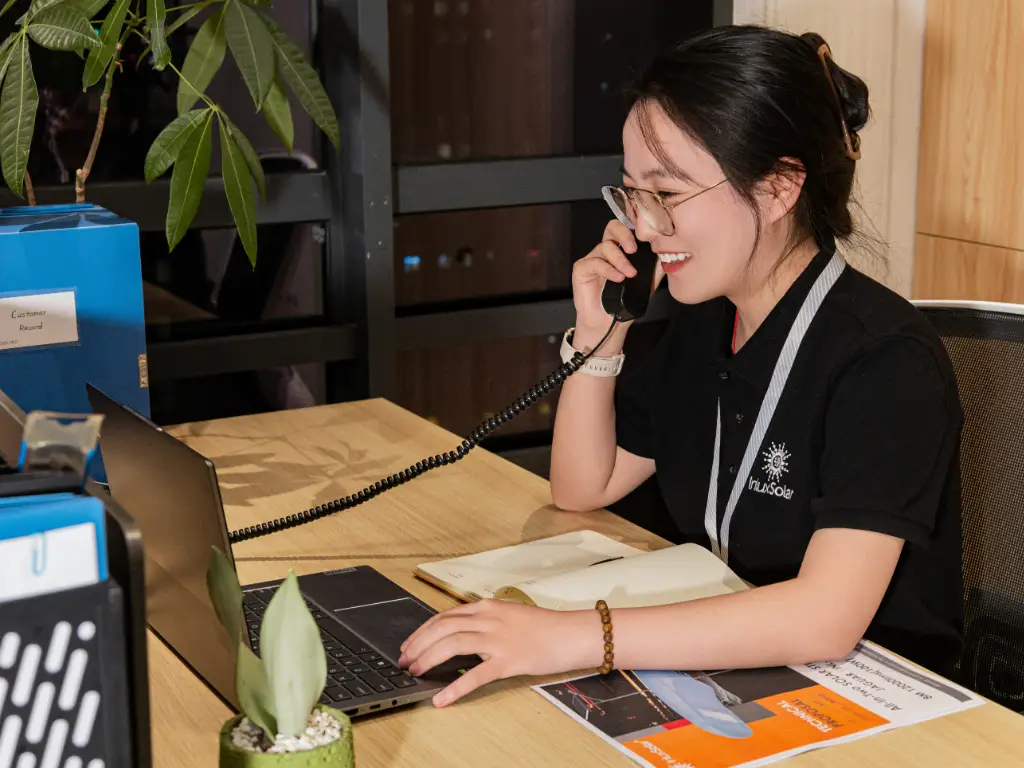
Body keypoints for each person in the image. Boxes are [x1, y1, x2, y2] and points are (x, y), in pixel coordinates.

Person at [399, 24, 964, 707]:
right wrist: (600, 337)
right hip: (733, 666)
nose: (642, 225)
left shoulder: (885, 360)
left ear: (781, 186)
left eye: (666, 194)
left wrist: (574, 637)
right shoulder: (706, 318)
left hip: (871, 697)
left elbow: (826, 618)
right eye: (632, 192)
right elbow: (585, 485)